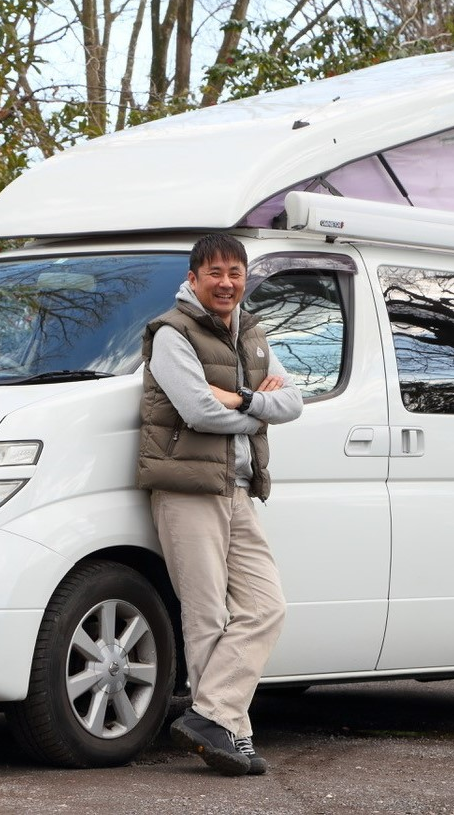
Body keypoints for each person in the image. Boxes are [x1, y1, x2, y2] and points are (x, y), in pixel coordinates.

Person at [137, 232, 303, 776]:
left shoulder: (251, 333)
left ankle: (212, 717)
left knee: (266, 606)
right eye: (215, 273)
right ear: (193, 279)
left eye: (235, 272)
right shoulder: (171, 334)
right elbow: (198, 412)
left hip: (238, 488)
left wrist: (244, 398)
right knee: (206, 614)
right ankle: (232, 734)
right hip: (187, 490)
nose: (227, 282)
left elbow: (294, 401)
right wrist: (261, 407)